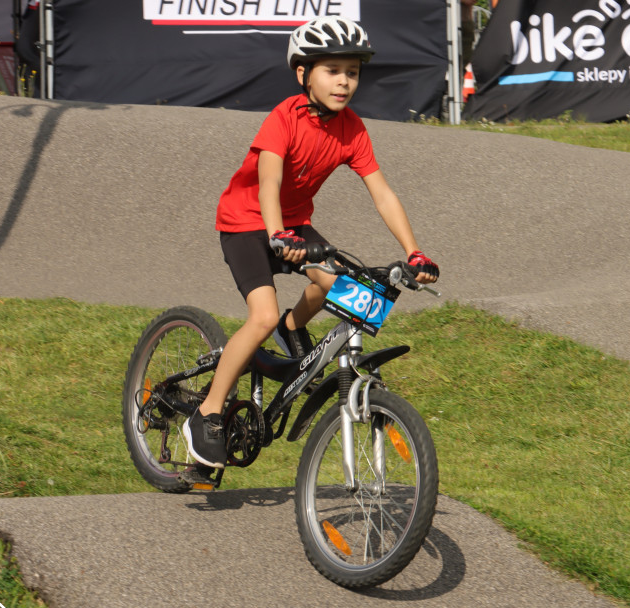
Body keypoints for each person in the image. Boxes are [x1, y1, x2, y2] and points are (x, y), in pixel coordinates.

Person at [181, 17, 440, 481]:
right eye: (332, 70)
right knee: (258, 316)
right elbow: (269, 180)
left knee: (340, 285)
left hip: (294, 226)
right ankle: (208, 413)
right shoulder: (284, 117)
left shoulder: (352, 129)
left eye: (353, 72)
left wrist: (415, 251)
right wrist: (279, 235)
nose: (344, 81)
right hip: (247, 222)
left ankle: (290, 329)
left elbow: (381, 192)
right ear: (304, 74)